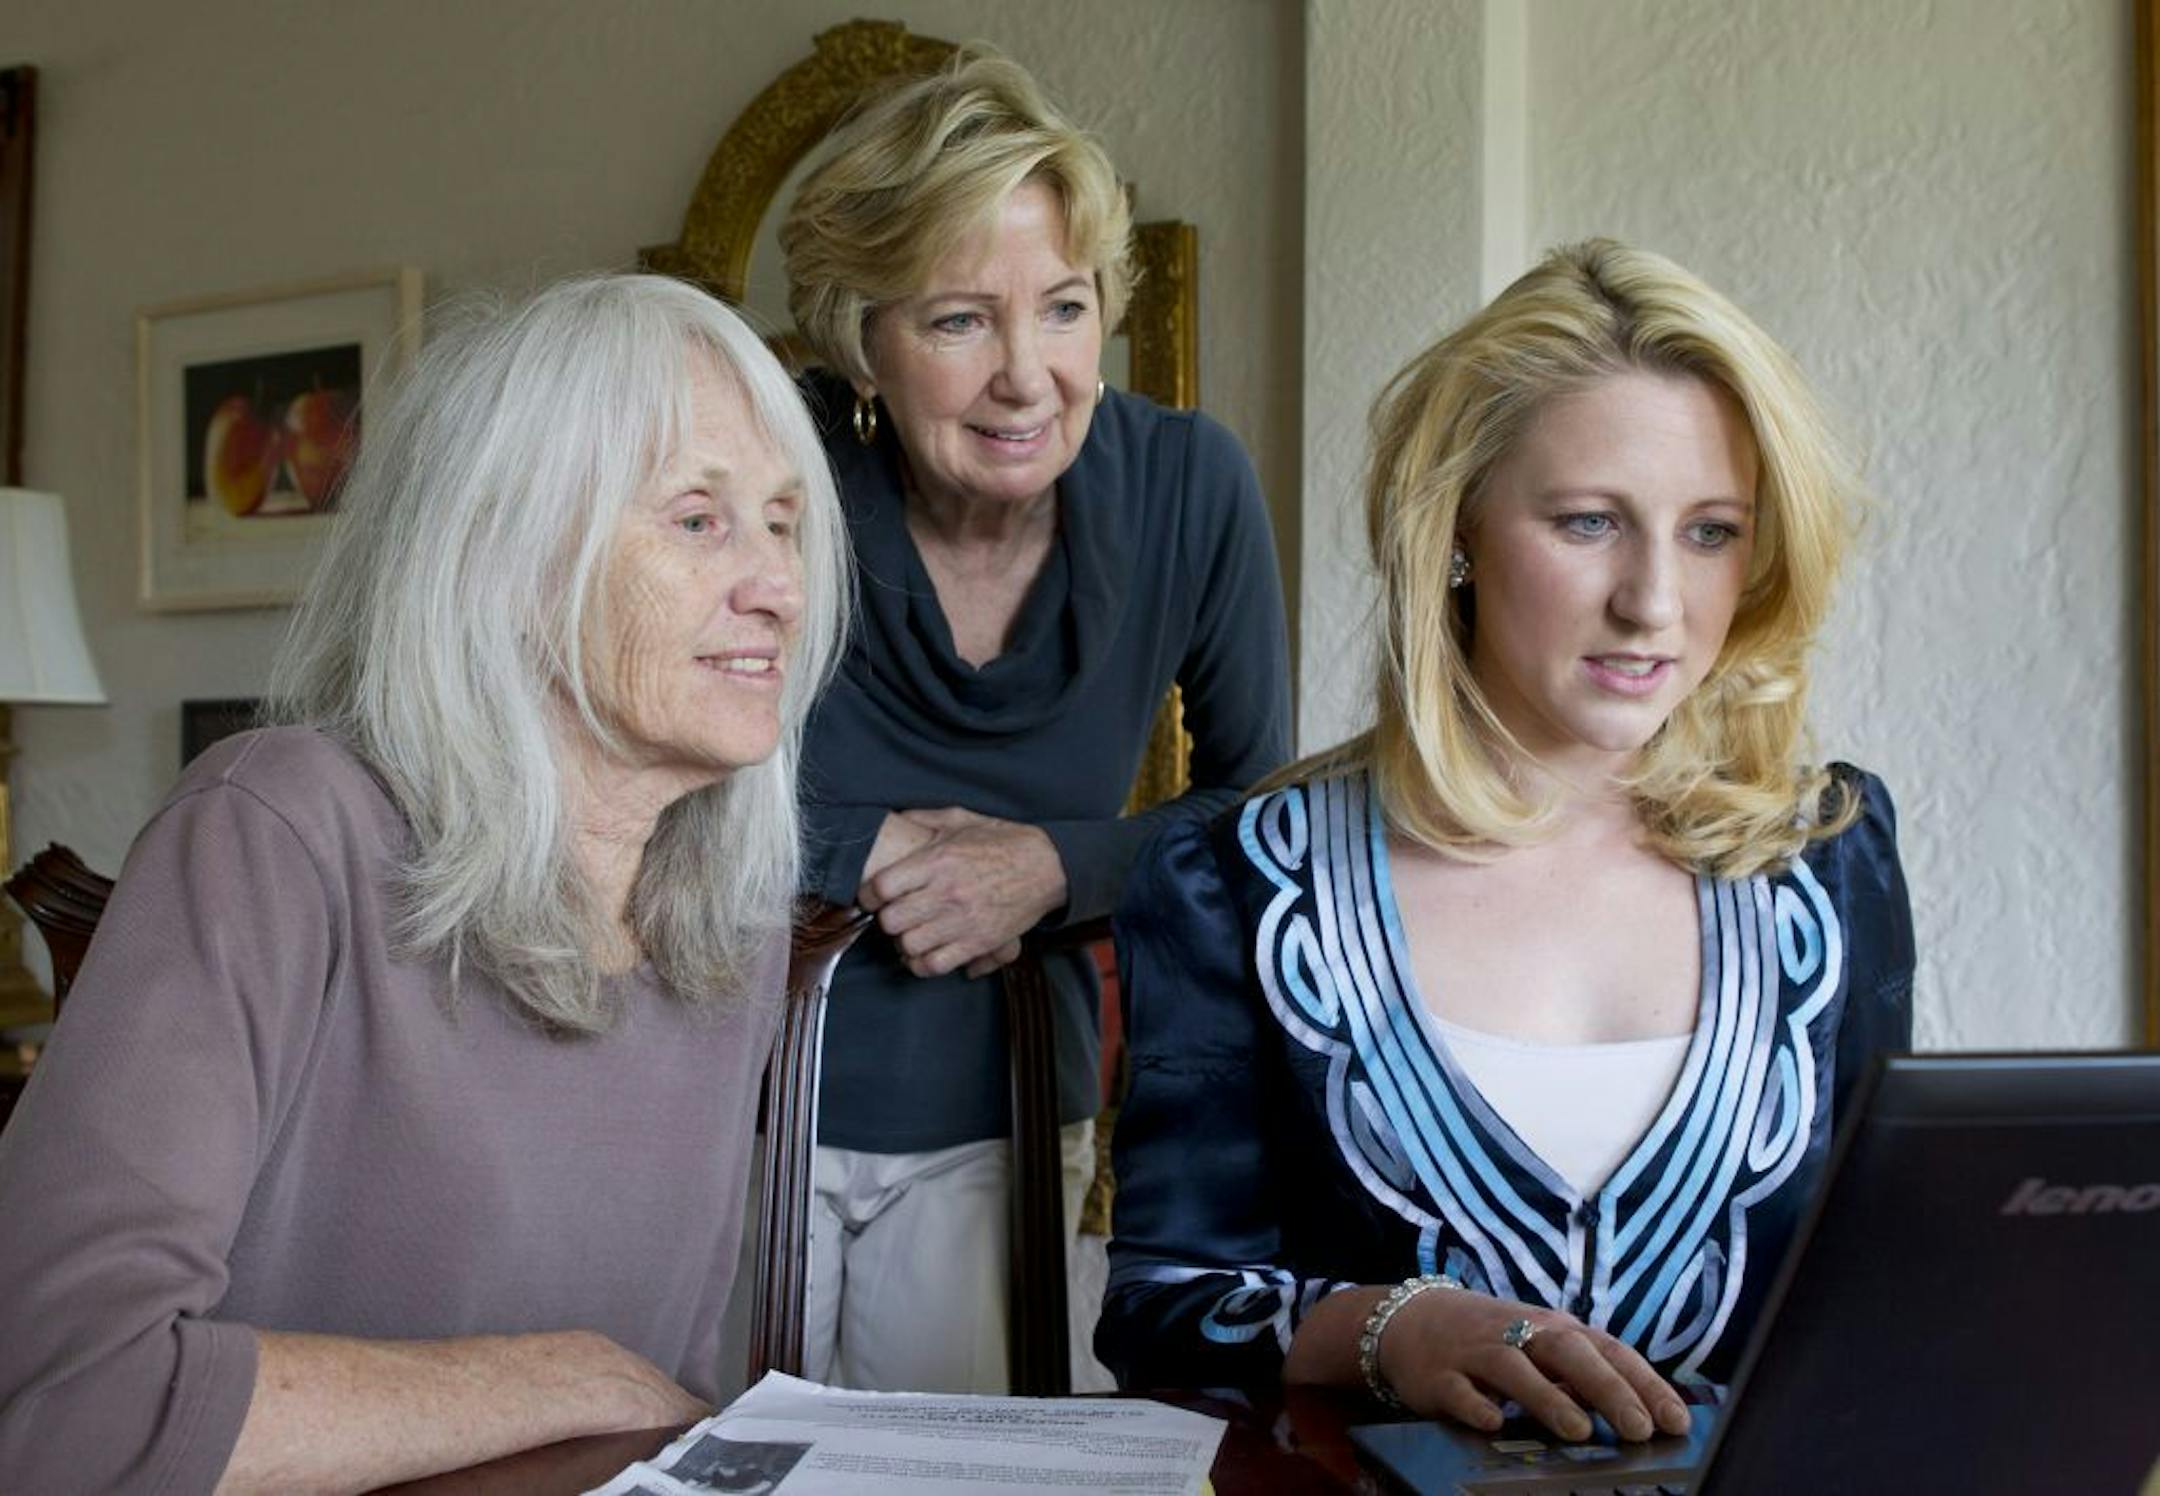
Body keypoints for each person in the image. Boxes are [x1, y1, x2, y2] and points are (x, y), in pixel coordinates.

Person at [0, 273, 850, 1492]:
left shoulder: (732, 928)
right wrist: (550, 1375)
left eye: (784, 521)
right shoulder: (280, 828)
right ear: (506, 560)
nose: (778, 582)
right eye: (699, 519)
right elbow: (61, 1396)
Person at [1098, 240, 1915, 1442]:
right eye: (1589, 522)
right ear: (1460, 527)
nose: (1654, 600)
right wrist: (1392, 1328)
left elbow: (1879, 1278)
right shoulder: (1238, 875)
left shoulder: (1831, 854)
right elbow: (1161, 1310)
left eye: (1709, 532)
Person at [779, 48, 1292, 1393]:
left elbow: (1263, 810)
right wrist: (863, 845)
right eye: (959, 321)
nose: (1027, 377)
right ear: (861, 338)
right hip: (726, 1100)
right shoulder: (770, 471)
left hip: (1010, 1115)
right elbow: (606, 762)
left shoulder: (1191, 488)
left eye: (1064, 311)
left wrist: (1056, 866)